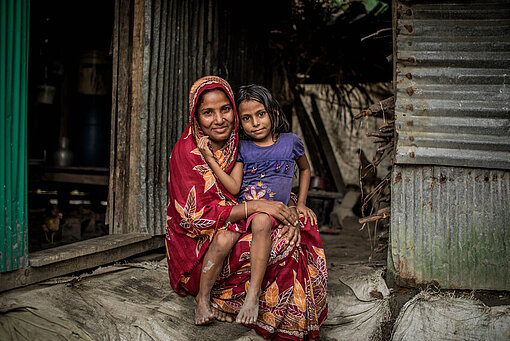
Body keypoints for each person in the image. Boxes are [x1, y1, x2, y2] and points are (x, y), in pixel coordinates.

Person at [166, 76, 328, 340]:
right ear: (195, 116)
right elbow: (196, 218)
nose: (219, 120)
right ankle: (211, 298)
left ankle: (260, 306)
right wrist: (260, 206)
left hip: (245, 220)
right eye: (207, 113)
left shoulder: (235, 144)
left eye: (225, 110)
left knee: (293, 233)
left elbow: (272, 179)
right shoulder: (188, 152)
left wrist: (290, 206)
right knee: (248, 237)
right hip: (198, 247)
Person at [197, 84, 318, 325]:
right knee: (221, 241)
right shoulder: (243, 147)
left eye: (260, 114)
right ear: (240, 123)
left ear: (273, 113)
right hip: (247, 210)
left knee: (262, 219)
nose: (255, 122)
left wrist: (301, 202)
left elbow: (305, 169)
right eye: (246, 118)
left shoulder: (290, 141)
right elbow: (233, 187)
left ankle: (253, 294)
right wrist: (210, 159)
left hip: (271, 214)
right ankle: (202, 297)